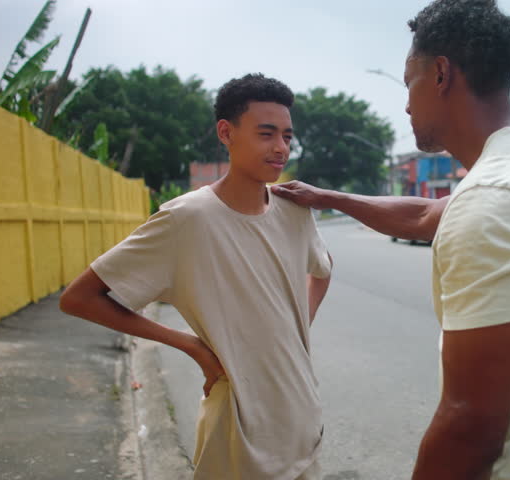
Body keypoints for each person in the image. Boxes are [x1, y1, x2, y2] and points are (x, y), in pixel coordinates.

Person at [271, 0, 510, 478]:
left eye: (409, 80)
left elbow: (470, 426)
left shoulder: (493, 200)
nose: (407, 102)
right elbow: (426, 214)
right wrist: (328, 197)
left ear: (440, 74)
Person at [59, 73, 333, 480]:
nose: (280, 147)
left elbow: (323, 269)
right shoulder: (187, 219)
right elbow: (79, 298)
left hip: (302, 415)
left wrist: (295, 330)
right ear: (227, 132)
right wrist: (193, 347)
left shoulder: (294, 209)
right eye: (266, 133)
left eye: (287, 136)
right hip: (239, 424)